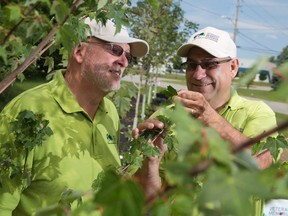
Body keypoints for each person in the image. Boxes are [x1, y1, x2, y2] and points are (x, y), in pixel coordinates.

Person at [0, 16, 165, 215]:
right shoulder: (27, 112)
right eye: (114, 49)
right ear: (79, 51)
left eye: (128, 57)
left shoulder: (110, 112)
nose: (123, 61)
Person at [133, 26, 278, 215]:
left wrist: (209, 117)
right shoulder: (164, 118)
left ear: (233, 67)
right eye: (192, 65)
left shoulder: (257, 113)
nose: (198, 74)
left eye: (209, 65)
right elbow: (145, 202)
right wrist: (150, 164)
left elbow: (260, 167)